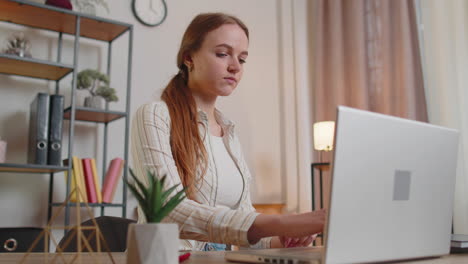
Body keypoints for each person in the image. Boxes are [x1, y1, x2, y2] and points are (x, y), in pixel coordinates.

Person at [131, 12, 325, 251]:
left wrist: (280, 239)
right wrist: (282, 222)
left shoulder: (229, 132)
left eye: (242, 59)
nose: (235, 67)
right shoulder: (155, 115)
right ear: (189, 58)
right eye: (223, 54)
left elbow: (242, 226)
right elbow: (169, 211)